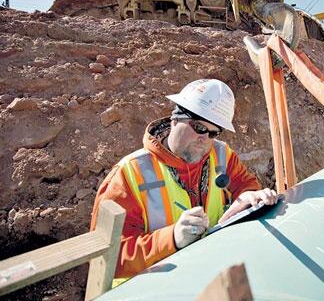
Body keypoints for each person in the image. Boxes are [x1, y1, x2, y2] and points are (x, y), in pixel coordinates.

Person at [90, 79, 277, 280]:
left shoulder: (222, 155)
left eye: (213, 132)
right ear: (175, 120)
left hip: (206, 273)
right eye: (198, 127)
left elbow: (245, 185)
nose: (204, 138)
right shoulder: (128, 175)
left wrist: (249, 197)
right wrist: (172, 238)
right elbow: (106, 259)